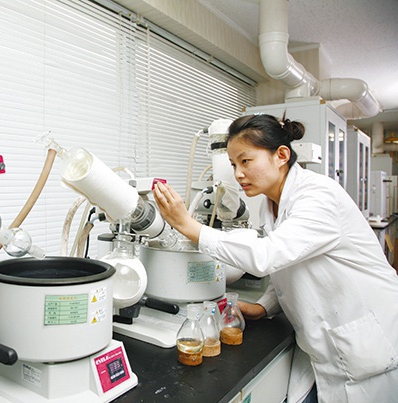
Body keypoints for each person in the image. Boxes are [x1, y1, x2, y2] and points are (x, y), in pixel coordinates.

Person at [153, 114, 398, 403]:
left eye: (246, 161)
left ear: (281, 155)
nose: (238, 174)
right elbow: (289, 264)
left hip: (368, 344)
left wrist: (188, 226)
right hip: (325, 348)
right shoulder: (270, 205)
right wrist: (264, 307)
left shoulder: (318, 196)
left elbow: (267, 255)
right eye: (233, 165)